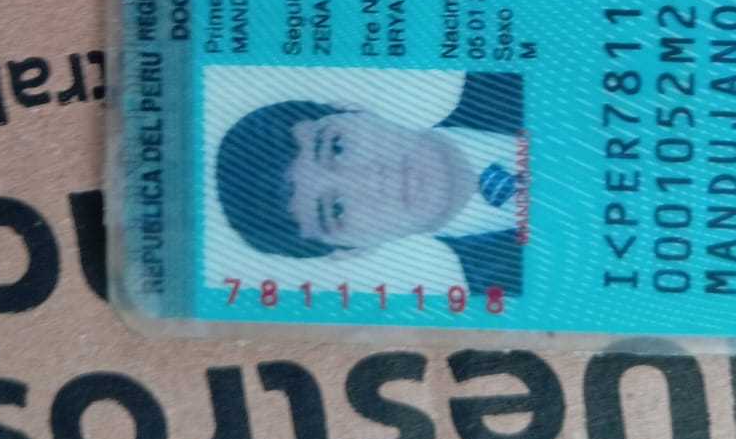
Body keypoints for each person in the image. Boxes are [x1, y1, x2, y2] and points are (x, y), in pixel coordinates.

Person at [216, 73, 525, 295]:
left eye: (337, 147)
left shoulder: (509, 68)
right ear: (350, 252)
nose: (372, 178)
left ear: (352, 108)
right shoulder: (506, 294)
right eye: (336, 209)